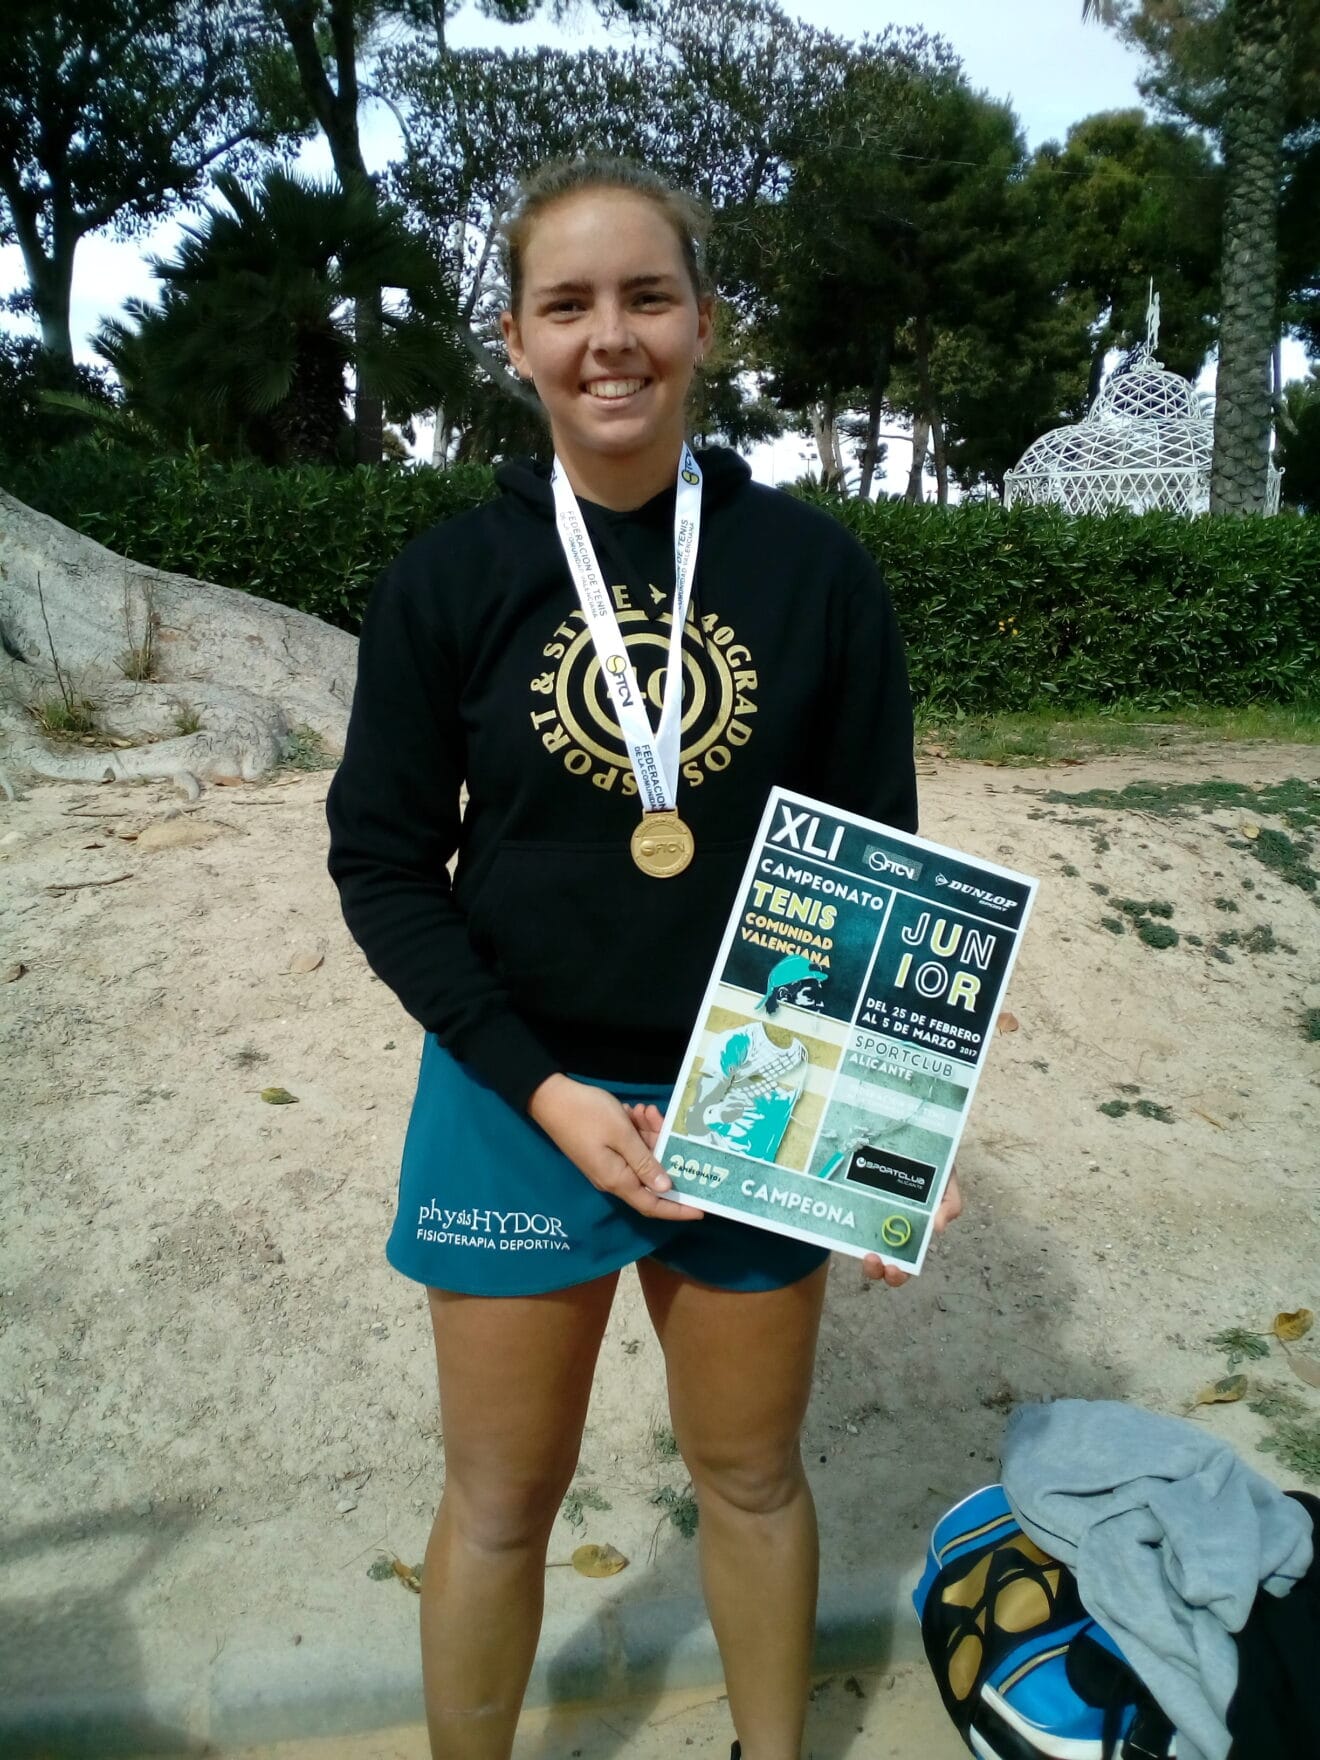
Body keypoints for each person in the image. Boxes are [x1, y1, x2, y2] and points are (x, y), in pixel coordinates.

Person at [326, 155, 963, 1760]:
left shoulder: (812, 571)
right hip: (512, 1085)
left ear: (701, 322)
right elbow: (385, 864)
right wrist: (541, 1089)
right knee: (496, 1499)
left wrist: (883, 1113)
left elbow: (875, 865)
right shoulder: (450, 578)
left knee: (749, 1476)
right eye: (570, 305)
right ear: (518, 340)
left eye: (647, 298)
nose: (612, 337)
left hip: (751, 1092)